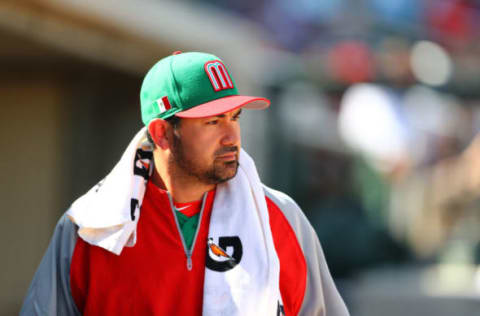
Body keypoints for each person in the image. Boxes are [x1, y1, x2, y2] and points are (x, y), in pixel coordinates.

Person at [21, 51, 349, 316]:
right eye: (212, 121)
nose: (231, 136)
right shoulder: (90, 226)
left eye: (235, 117)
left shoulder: (281, 215)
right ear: (162, 132)